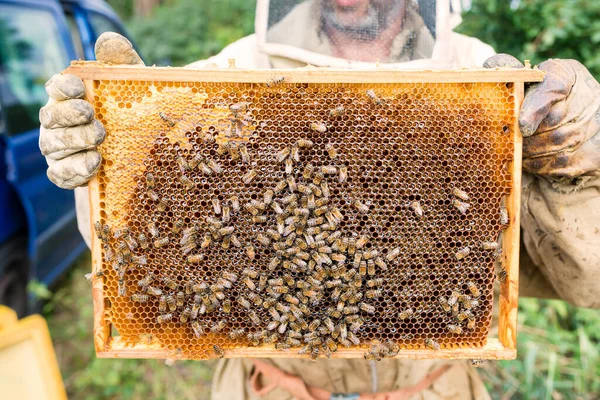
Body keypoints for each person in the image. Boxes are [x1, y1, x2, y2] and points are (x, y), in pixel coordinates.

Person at [39, 1, 600, 398]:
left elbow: (589, 276)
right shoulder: (223, 76)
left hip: (436, 388)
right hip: (265, 388)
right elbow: (139, 248)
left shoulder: (487, 80)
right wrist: (112, 153)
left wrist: (579, 167)